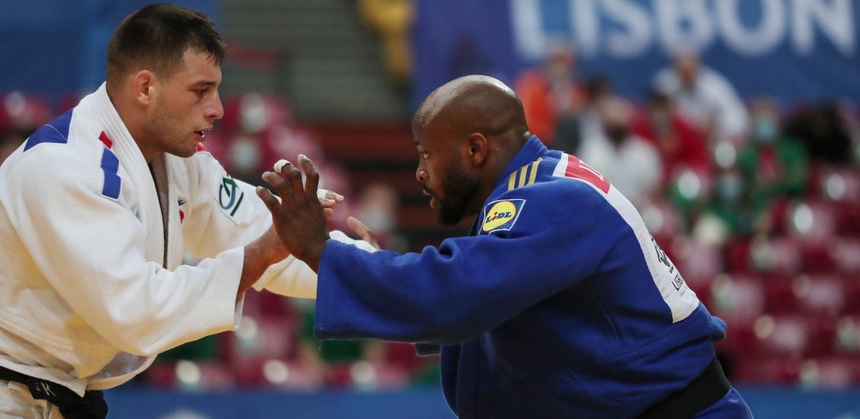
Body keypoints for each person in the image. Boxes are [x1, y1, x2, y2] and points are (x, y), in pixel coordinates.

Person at [259, 75, 755, 419]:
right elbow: (484, 302)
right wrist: (378, 269)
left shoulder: (554, 201)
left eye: (427, 154)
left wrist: (323, 251)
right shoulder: (536, 190)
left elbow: (456, 296)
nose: (419, 172)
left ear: (475, 149)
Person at [0, 4, 374, 418]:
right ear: (145, 88)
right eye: (201, 91)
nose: (218, 108)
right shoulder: (65, 168)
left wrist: (371, 270)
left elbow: (262, 230)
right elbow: (136, 313)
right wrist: (261, 254)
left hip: (60, 393)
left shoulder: (178, 159)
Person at [652, 51, 749, 143]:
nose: (687, 75)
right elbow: (654, 119)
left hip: (709, 141)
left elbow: (737, 119)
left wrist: (715, 128)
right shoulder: (663, 86)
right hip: (676, 142)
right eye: (682, 70)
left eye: (690, 70)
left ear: (698, 66)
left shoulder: (715, 87)